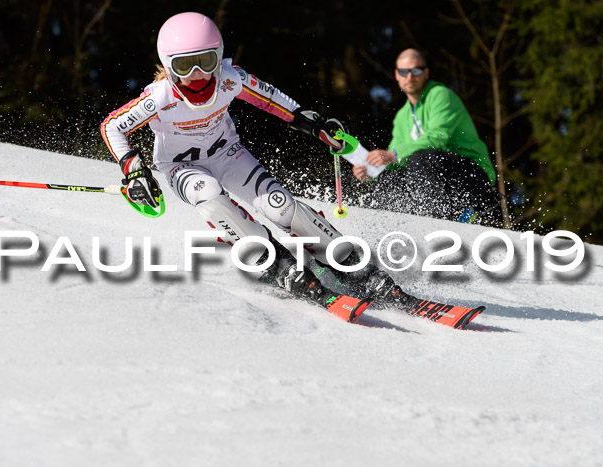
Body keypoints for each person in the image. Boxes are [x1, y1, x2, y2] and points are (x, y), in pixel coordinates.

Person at [100, 12, 414, 309]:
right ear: (169, 66)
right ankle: (273, 262)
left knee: (280, 205)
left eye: (205, 62)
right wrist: (134, 170)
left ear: (218, 56)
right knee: (208, 194)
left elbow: (276, 101)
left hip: (227, 153)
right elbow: (112, 126)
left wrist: (315, 125)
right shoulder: (159, 97)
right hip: (183, 167)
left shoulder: (230, 79)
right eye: (185, 66)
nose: (197, 76)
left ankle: (348, 260)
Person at [352, 48, 502, 224]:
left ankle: (433, 224)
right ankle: (394, 226)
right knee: (388, 179)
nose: (410, 77)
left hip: (470, 178)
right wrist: (371, 172)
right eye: (404, 71)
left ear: (426, 73)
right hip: (437, 184)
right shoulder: (402, 116)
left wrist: (392, 155)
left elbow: (438, 138)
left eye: (416, 71)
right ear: (397, 75)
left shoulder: (441, 95)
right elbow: (393, 162)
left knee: (421, 158)